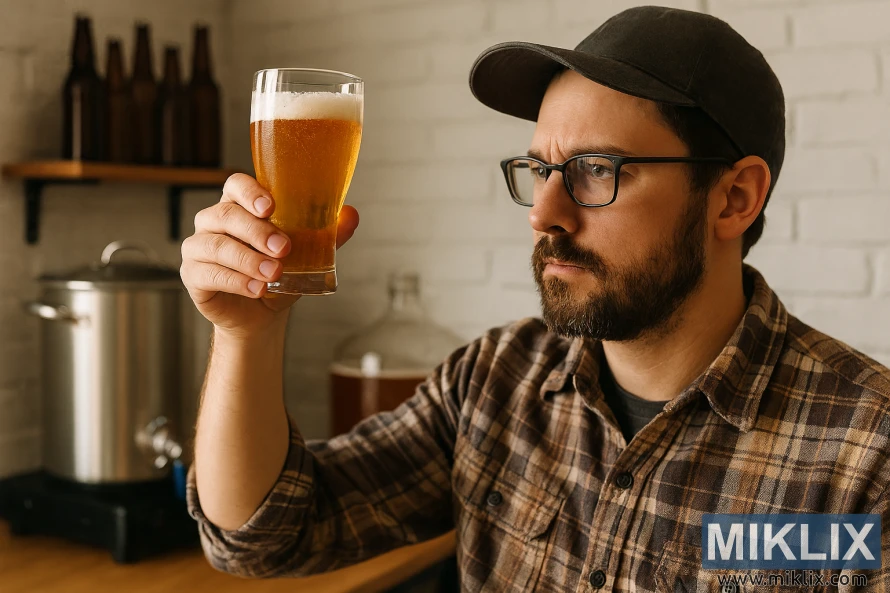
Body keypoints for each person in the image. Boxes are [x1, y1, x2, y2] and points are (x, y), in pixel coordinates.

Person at [180, 6, 890, 592]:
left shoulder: (865, 459)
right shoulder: (495, 379)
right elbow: (263, 535)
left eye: (594, 170)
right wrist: (247, 334)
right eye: (540, 168)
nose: (543, 211)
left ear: (733, 198)